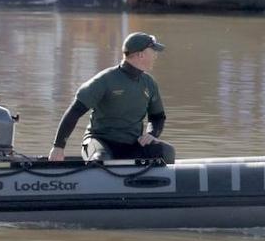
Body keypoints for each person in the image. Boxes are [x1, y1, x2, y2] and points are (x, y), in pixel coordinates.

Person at [48, 31, 176, 163]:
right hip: (100, 142)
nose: (156, 55)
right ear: (140, 55)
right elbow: (74, 112)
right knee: (101, 160)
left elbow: (157, 117)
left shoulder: (149, 83)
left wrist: (151, 134)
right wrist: (58, 146)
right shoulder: (104, 80)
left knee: (167, 151)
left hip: (131, 146)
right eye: (153, 51)